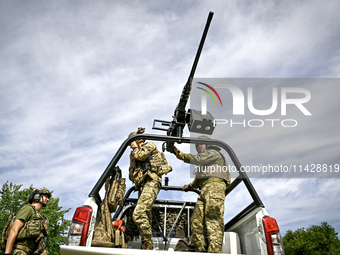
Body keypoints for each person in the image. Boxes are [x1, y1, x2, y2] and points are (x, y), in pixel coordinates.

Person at [172, 135, 231, 253]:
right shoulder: (205, 162)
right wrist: (188, 187)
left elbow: (196, 159)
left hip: (215, 187)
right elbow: (197, 180)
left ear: (208, 145)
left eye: (202, 144)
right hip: (205, 190)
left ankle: (214, 252)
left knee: (212, 220)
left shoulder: (213, 153)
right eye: (197, 145)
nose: (199, 146)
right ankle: (201, 252)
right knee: (196, 222)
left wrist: (177, 153)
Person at [128, 127, 172, 250]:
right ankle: (147, 246)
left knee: (138, 213)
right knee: (145, 215)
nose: (131, 147)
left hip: (152, 182)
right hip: (142, 186)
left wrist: (135, 148)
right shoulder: (135, 156)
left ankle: (147, 245)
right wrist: (131, 162)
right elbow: (132, 178)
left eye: (132, 143)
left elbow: (141, 156)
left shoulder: (149, 145)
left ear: (138, 140)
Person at [5, 188, 51, 255]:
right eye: (46, 197)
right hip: (20, 251)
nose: (48, 199)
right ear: (37, 196)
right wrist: (7, 253)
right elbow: (14, 230)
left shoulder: (40, 217)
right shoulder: (28, 209)